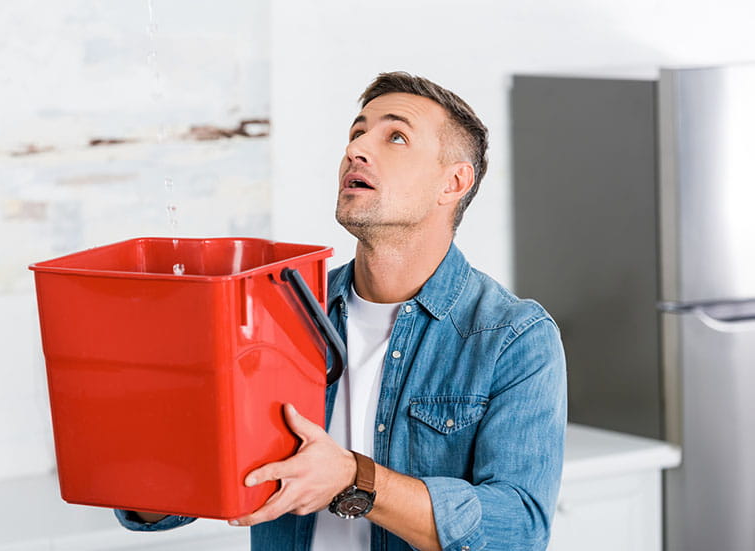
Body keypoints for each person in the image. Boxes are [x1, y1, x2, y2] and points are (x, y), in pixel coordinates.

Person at [116, 71, 567, 551]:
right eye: (356, 133)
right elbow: (163, 502)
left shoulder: (513, 337)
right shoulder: (277, 311)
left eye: (395, 136)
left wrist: (355, 479)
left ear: (452, 183)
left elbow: (517, 530)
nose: (358, 149)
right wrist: (152, 439)